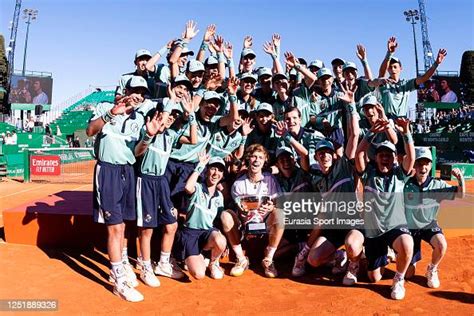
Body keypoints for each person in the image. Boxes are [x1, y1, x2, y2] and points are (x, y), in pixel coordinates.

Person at [86, 76, 156, 302]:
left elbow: (136, 152)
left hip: (128, 171)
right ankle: (119, 280)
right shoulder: (106, 107)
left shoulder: (140, 118)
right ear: (126, 90)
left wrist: (148, 136)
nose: (139, 96)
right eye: (135, 90)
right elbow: (90, 131)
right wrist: (111, 113)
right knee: (114, 228)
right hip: (108, 171)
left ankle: (121, 265)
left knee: (124, 225)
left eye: (142, 93)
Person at [134, 87, 196, 284]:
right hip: (145, 181)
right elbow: (138, 152)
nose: (170, 118)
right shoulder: (148, 132)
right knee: (147, 228)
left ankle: (162, 263)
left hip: (161, 182)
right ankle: (145, 266)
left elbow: (193, 140)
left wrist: (191, 115)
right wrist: (170, 101)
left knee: (171, 223)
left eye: (173, 116)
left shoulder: (172, 136)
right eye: (167, 115)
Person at [355, 117, 415, 300]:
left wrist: (406, 133)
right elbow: (358, 154)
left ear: (394, 158)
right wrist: (371, 132)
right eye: (381, 154)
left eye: (389, 155)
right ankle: (372, 257)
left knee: (407, 244)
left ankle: (398, 279)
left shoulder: (399, 175)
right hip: (373, 231)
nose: (385, 158)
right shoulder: (368, 174)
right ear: (376, 157)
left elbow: (411, 157)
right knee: (374, 278)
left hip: (394, 226)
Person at [404, 147, 465, 288]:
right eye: (419, 163)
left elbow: (460, 194)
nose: (423, 167)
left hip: (428, 224)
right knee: (408, 274)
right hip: (409, 227)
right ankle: (408, 259)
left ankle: (432, 268)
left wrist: (460, 178)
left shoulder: (437, 185)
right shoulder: (406, 183)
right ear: (414, 165)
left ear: (431, 166)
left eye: (426, 163)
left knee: (441, 244)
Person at [220, 144, 284, 278]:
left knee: (280, 214)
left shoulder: (271, 180)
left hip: (266, 224)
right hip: (244, 226)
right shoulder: (238, 184)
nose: (256, 160)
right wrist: (242, 211)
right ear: (248, 159)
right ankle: (241, 259)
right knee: (225, 215)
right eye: (254, 156)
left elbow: (279, 203)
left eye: (260, 157)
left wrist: (272, 207)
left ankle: (268, 260)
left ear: (265, 160)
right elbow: (239, 208)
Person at [175, 154, 228, 280]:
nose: (216, 173)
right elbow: (188, 187)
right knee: (199, 275)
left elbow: (218, 221)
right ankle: (198, 257)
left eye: (220, 170)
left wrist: (224, 244)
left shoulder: (219, 196)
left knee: (220, 241)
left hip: (207, 234)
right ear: (207, 170)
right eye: (213, 168)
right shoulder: (197, 188)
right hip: (190, 234)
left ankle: (213, 263)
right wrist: (200, 166)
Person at [376, 37, 448, 118]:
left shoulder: (406, 84)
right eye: (390, 67)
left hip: (402, 120)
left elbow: (424, 77)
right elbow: (381, 74)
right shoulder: (385, 82)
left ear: (401, 68)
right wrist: (389, 53)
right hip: (388, 120)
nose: (392, 69)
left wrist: (436, 63)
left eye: (395, 66)